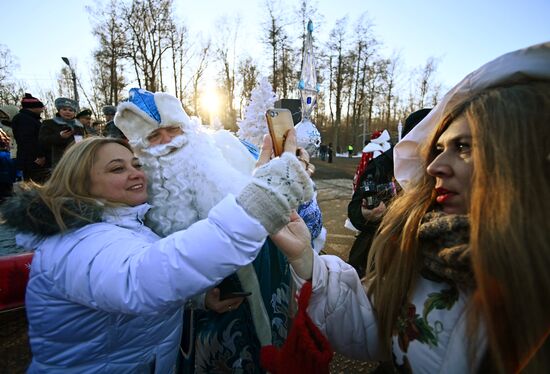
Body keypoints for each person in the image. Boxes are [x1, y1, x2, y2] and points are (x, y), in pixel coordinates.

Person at [277, 42, 550, 373]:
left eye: (463, 146)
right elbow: (368, 321)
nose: (434, 167)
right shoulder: (423, 253)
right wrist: (306, 259)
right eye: (436, 149)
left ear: (523, 155)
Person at [0, 130, 314, 372]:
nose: (136, 172)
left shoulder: (125, 226)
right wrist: (267, 195)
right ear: (80, 183)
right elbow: (143, 279)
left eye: (136, 163)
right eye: (117, 168)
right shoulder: (78, 242)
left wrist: (198, 298)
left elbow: (129, 284)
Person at [114, 88, 324, 372]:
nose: (168, 142)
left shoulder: (233, 152)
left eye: (173, 130)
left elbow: (300, 221)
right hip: (200, 325)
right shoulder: (136, 197)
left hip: (266, 287)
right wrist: (198, 298)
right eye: (154, 137)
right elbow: (146, 275)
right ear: (140, 148)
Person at [347, 110, 430, 278]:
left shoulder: (444, 169)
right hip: (375, 263)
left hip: (424, 270)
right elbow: (355, 210)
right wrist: (366, 215)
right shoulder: (381, 165)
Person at [39, 97, 87, 169]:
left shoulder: (78, 126)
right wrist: (60, 137)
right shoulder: (49, 123)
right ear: (59, 110)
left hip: (75, 159)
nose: (67, 112)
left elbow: (79, 142)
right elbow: (42, 140)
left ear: (74, 113)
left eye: (71, 110)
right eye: (64, 109)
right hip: (55, 161)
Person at [11, 93, 49, 183]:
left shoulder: (30, 119)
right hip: (33, 161)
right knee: (35, 185)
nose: (42, 110)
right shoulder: (24, 119)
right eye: (41, 107)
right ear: (33, 107)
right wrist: (39, 156)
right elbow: (28, 140)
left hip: (33, 159)